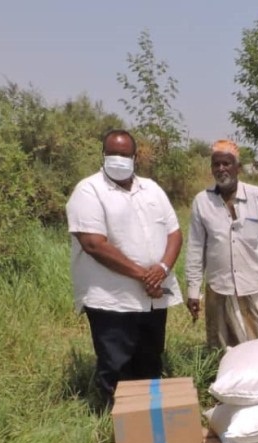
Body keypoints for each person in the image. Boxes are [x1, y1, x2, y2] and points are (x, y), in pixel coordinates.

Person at [66, 129, 183, 405]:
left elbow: (175, 233)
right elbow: (93, 244)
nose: (119, 159)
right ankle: (117, 431)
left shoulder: (151, 188)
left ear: (135, 158)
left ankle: (150, 424)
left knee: (150, 363)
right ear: (103, 155)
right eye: (113, 154)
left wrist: (163, 269)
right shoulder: (89, 190)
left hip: (152, 300)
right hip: (112, 300)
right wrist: (145, 275)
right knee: (116, 367)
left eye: (124, 154)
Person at [184, 140, 258, 348]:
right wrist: (193, 292)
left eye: (226, 163)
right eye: (216, 165)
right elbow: (195, 250)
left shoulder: (257, 197)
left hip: (254, 287)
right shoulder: (202, 201)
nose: (221, 169)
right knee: (225, 352)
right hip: (219, 289)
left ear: (238, 168)